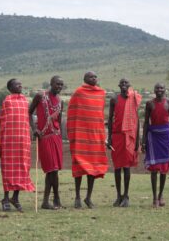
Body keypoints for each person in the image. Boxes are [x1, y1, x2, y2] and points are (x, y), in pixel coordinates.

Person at [67, 71, 109, 209]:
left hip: (95, 137)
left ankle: (88, 198)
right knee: (79, 166)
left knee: (93, 168)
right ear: (85, 79)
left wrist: (103, 136)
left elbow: (100, 116)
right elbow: (72, 113)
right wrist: (73, 133)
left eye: (96, 76)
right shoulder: (79, 93)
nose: (94, 78)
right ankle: (78, 197)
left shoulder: (101, 93)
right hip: (81, 136)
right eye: (91, 77)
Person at [29, 75, 64, 210]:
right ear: (51, 83)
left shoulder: (61, 101)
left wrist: (60, 137)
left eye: (61, 85)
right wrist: (34, 129)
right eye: (57, 84)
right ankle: (49, 200)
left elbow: (59, 121)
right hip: (44, 137)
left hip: (56, 137)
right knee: (51, 169)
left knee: (54, 170)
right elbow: (29, 112)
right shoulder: (40, 96)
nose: (59, 87)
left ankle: (53, 199)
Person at [0, 78, 35, 212]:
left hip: (22, 141)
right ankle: (6, 198)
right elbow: (3, 122)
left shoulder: (25, 101)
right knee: (8, 170)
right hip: (9, 142)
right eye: (16, 84)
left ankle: (15, 197)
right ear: (10, 88)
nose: (20, 85)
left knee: (22, 169)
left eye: (21, 83)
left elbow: (26, 121)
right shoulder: (7, 101)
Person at [107, 78, 142, 207]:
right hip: (116, 136)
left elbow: (137, 121)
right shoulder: (114, 100)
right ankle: (118, 196)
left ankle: (126, 195)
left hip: (129, 136)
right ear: (118, 85)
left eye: (126, 83)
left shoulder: (133, 99)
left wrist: (137, 140)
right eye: (121, 83)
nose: (123, 85)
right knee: (117, 167)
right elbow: (110, 119)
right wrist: (109, 137)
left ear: (129, 85)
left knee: (126, 166)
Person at [141, 83, 169, 208]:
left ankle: (161, 196)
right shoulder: (150, 104)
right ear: (154, 90)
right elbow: (145, 123)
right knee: (154, 169)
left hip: (165, 137)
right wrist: (143, 141)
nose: (159, 90)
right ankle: (154, 197)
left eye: (161, 88)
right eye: (157, 88)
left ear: (164, 90)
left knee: (164, 169)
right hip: (153, 137)